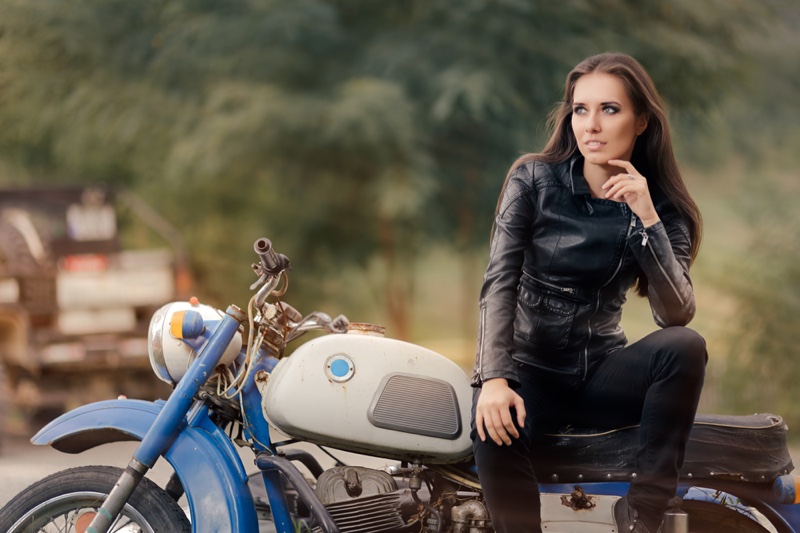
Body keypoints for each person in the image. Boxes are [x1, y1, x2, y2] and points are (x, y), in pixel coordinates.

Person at [471, 52, 707, 533]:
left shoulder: (661, 209)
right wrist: (494, 378)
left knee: (686, 347)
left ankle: (642, 515)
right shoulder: (533, 179)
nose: (591, 125)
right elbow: (500, 282)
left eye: (610, 109)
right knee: (494, 430)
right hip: (529, 370)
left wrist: (647, 217)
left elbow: (675, 314)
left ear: (641, 121)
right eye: (581, 109)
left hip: (600, 373)